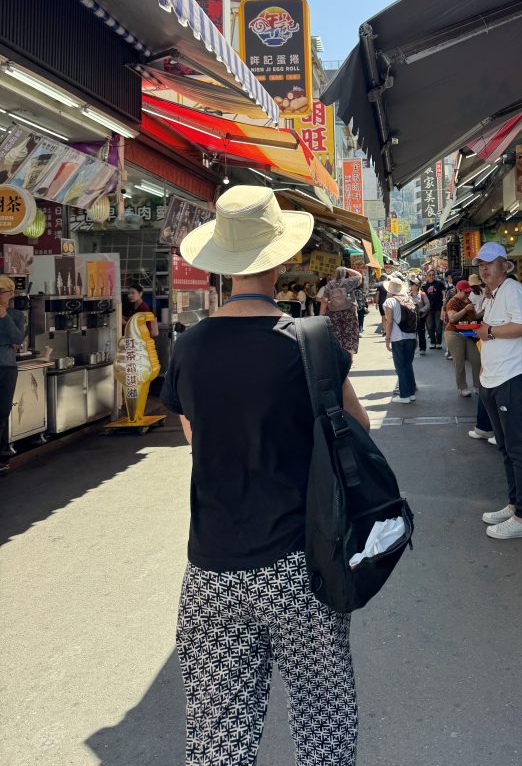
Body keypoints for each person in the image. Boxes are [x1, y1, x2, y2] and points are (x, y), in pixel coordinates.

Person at [161, 185, 368, 766]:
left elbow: (195, 434)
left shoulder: (189, 346)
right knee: (323, 721)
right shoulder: (312, 342)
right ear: (280, 259)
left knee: (218, 732)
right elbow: (358, 428)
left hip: (213, 565)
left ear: (223, 264)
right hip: (301, 561)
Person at [474, 242, 522, 540]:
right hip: (494, 379)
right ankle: (514, 505)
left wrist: (490, 331)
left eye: (490, 263)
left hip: (512, 379)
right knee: (506, 447)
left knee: (519, 449)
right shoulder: (495, 293)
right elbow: (486, 330)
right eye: (480, 264)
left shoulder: (513, 290)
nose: (484, 268)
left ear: (505, 265)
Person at [0, 276, 23, 473]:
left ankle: (3, 455)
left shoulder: (15, 315)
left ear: (11, 294)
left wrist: (4, 317)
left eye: (1, 292)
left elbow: (17, 338)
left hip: (7, 367)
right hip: (6, 359)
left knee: (3, 411)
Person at [444, 280, 482, 397]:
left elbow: (474, 317)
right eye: (465, 292)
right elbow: (452, 318)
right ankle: (462, 387)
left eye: (469, 292)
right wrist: (465, 309)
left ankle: (477, 385)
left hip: (468, 333)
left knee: (476, 360)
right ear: (458, 290)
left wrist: (485, 310)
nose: (468, 294)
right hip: (454, 333)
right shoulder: (452, 301)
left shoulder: (468, 301)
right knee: (459, 362)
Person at [383, 276, 417, 404]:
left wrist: (387, 338)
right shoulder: (408, 299)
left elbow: (389, 322)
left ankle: (404, 396)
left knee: (400, 367)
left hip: (397, 337)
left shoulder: (389, 302)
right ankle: (411, 393)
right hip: (411, 336)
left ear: (390, 290)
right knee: (408, 365)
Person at [320, 266, 363, 355]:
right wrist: (346, 269)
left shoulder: (329, 285)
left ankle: (339, 356)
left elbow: (324, 300)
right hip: (349, 311)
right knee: (350, 334)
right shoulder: (349, 282)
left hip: (333, 312)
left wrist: (321, 314)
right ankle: (349, 358)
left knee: (336, 334)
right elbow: (359, 276)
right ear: (345, 274)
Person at [422, 269, 445, 349]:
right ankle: (432, 341)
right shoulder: (424, 286)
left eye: (433, 275)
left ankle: (438, 342)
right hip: (429, 309)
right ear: (427, 276)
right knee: (430, 326)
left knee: (438, 326)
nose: (431, 276)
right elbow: (422, 296)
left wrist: (443, 305)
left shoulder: (439, 283)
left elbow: (444, 294)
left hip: (438, 308)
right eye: (430, 275)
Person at [409, 277, 429, 355]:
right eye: (411, 285)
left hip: (421, 317)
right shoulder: (408, 295)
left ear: (417, 286)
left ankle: (422, 348)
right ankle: (412, 348)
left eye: (413, 285)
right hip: (411, 318)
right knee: (412, 334)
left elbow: (428, 305)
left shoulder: (422, 294)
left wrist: (421, 310)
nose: (411, 286)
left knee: (421, 333)